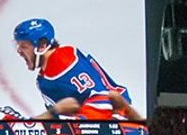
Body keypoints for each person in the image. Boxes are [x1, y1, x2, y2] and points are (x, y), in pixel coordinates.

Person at [12, 19, 142, 121]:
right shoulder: (42, 80)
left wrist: (80, 123)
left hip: (116, 116)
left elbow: (103, 98)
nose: (18, 51)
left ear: (42, 46)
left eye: (24, 46)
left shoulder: (62, 59)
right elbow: (59, 119)